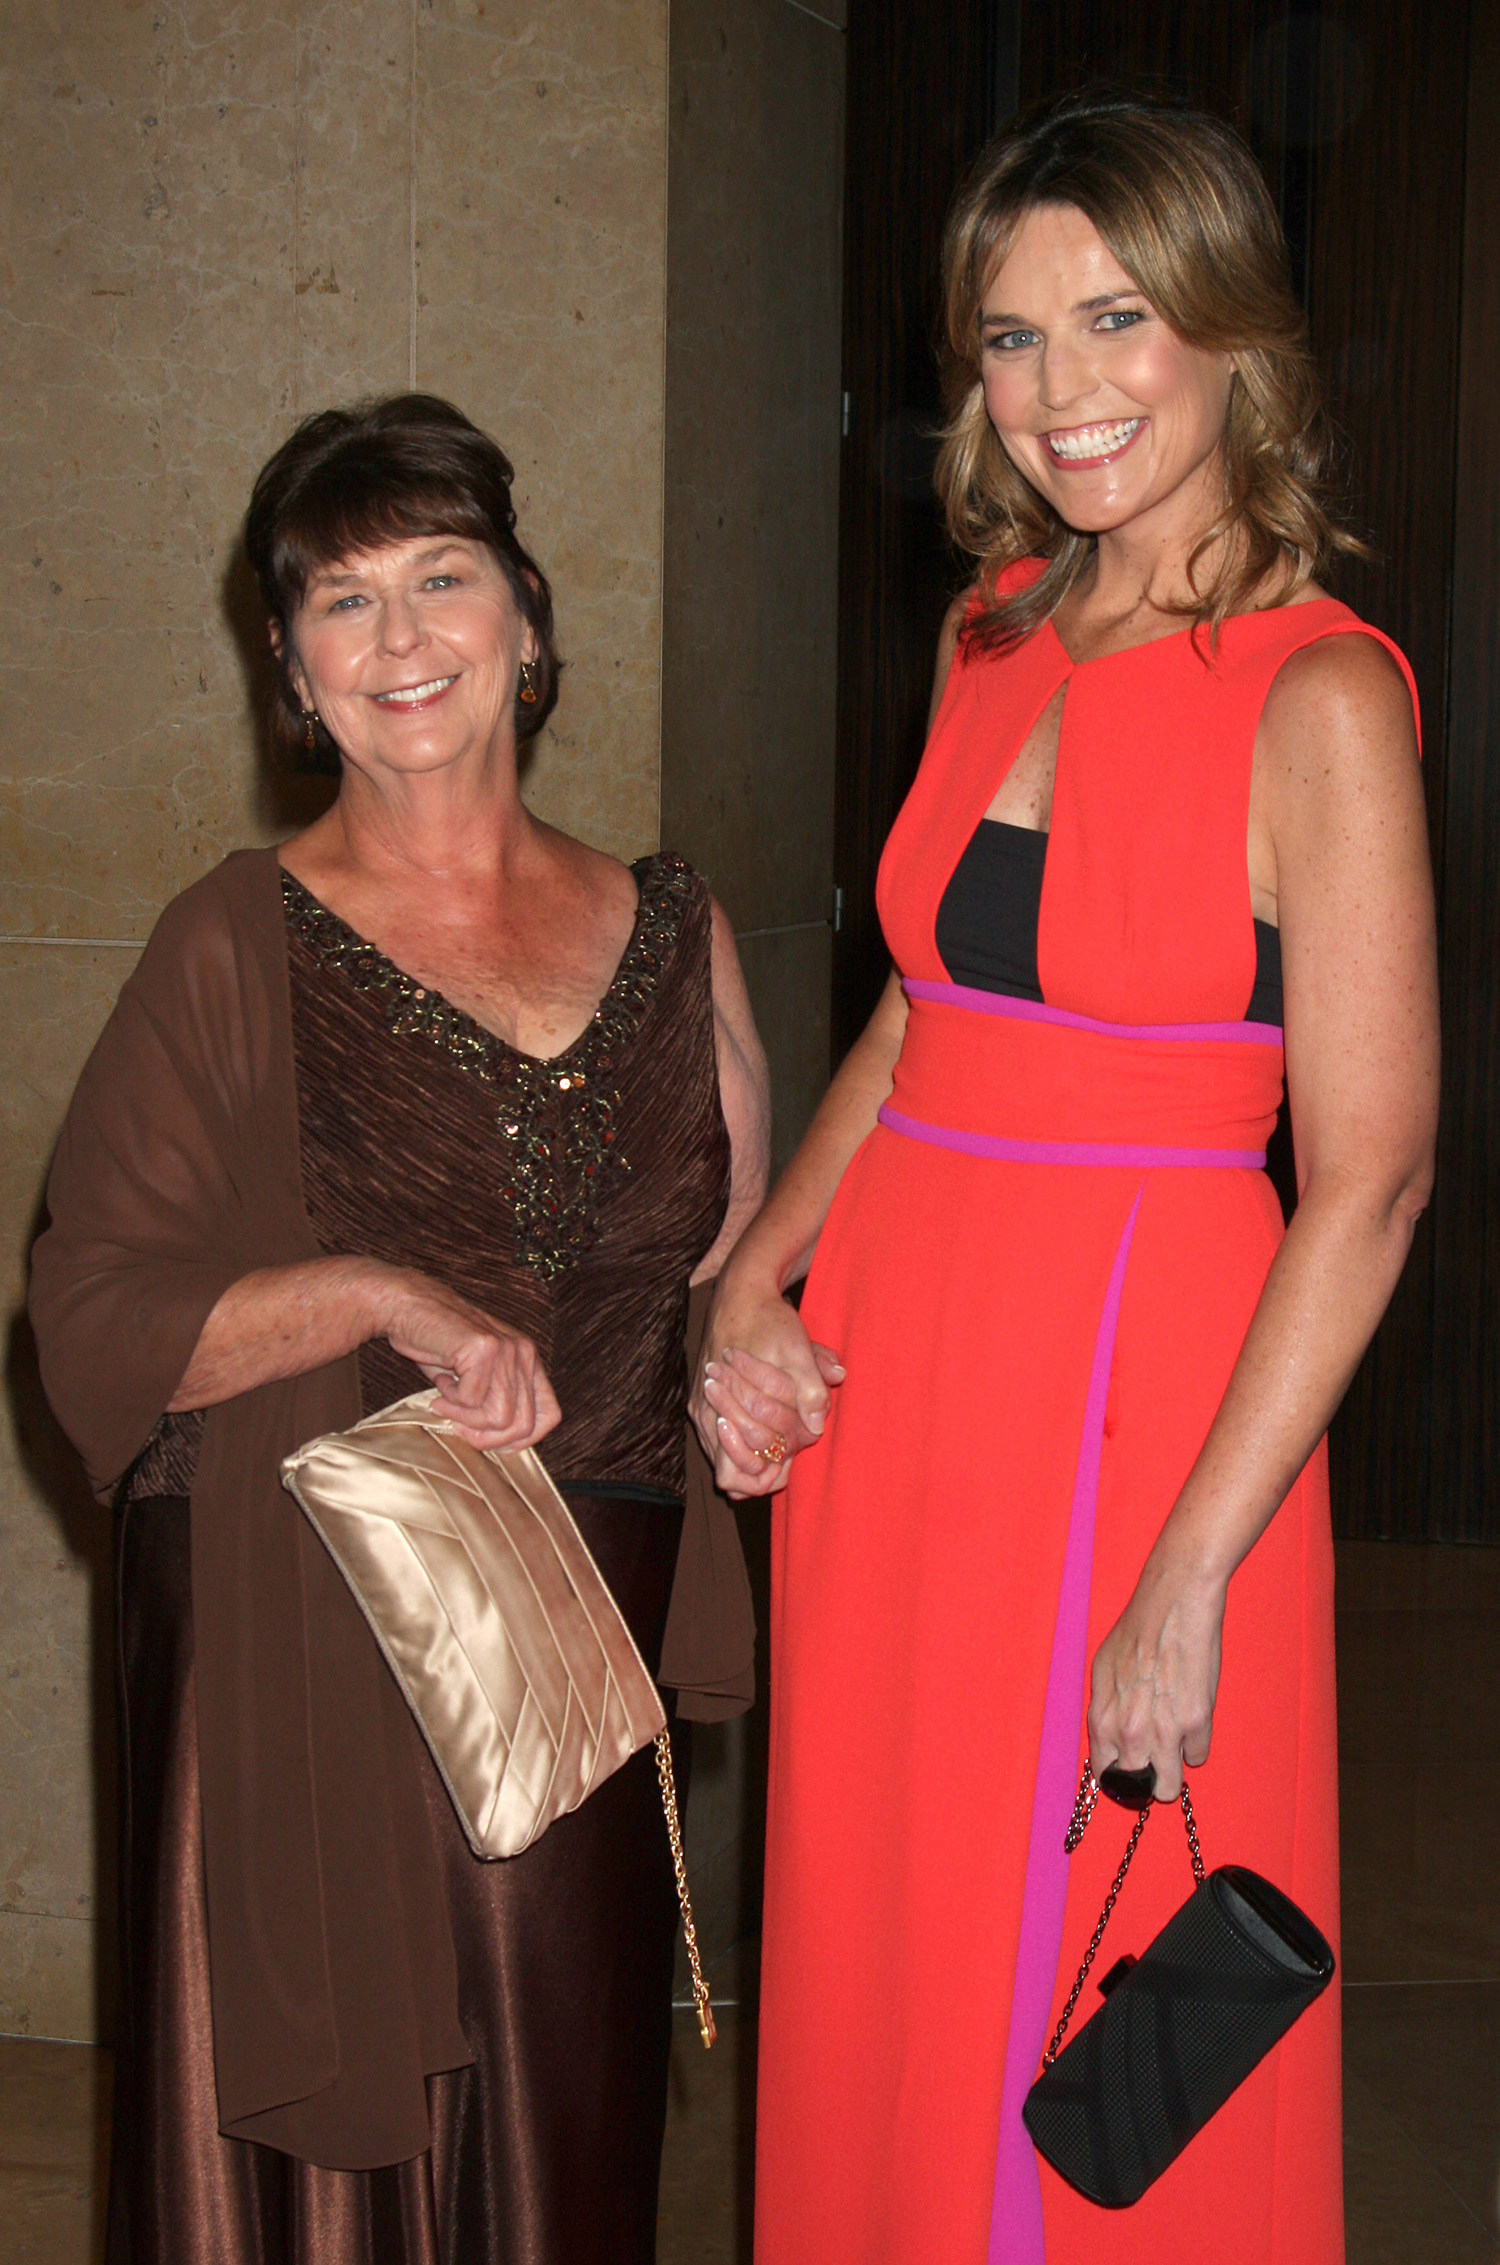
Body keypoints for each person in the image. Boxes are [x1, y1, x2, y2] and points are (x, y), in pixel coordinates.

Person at [693, 90, 1438, 2265]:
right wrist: (763, 1270)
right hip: (903, 1369)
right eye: (1010, 338)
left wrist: (1196, 1559)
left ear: (1232, 339)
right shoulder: (993, 627)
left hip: (1148, 1396)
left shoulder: (1321, 699)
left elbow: (1373, 1179)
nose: (1062, 388)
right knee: (892, 1903)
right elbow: (932, 1002)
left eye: (1116, 319)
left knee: (1091, 1935)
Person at [30, 393, 769, 2264]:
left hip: (578, 1629)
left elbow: (739, 1268)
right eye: (341, 604)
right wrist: (374, 1294)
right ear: (291, 673)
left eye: (440, 578)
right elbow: (90, 1313)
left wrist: (765, 1371)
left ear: (527, 614)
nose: (402, 640)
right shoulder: (232, 940)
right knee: (312, 2192)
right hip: (305, 1622)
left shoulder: (678, 929)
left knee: (564, 2139)